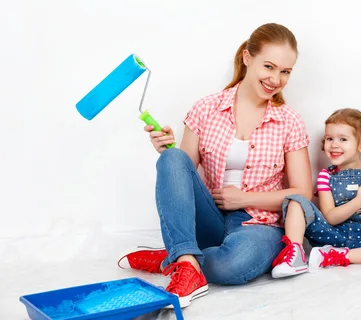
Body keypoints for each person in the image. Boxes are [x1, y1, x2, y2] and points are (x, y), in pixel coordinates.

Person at [117, 23, 313, 308]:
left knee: (231, 266)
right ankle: (185, 260)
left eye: (285, 72)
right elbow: (182, 172)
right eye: (269, 67)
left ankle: (173, 258)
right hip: (209, 218)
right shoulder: (206, 108)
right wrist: (167, 149)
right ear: (247, 58)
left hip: (258, 224)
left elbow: (302, 192)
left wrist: (244, 199)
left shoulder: (289, 121)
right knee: (172, 158)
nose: (276, 79)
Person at [270, 108, 361, 278]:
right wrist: (358, 202)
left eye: (343, 139)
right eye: (329, 138)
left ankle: (336, 256)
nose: (334, 144)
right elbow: (330, 217)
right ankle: (294, 254)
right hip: (330, 233)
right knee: (295, 200)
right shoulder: (326, 175)